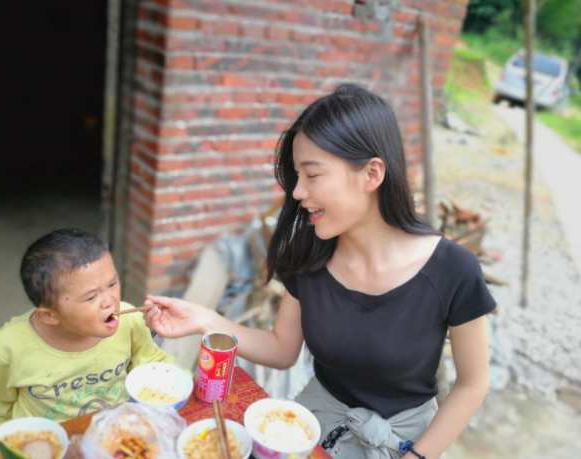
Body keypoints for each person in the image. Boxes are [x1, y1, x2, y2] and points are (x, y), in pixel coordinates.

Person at [143, 84, 495, 459]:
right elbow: (282, 348)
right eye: (297, 176)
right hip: (310, 426)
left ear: (372, 174)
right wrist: (204, 319)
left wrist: (418, 457)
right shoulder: (309, 252)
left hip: (405, 442)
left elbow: (473, 383)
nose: (296, 192)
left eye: (312, 175)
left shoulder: (453, 269)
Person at [0, 229, 171, 432]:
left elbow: (152, 366)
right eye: (90, 297)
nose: (110, 302)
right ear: (50, 315)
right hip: (49, 441)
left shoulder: (131, 320)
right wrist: (1, 437)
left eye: (112, 284)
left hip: (115, 431)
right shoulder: (9, 347)